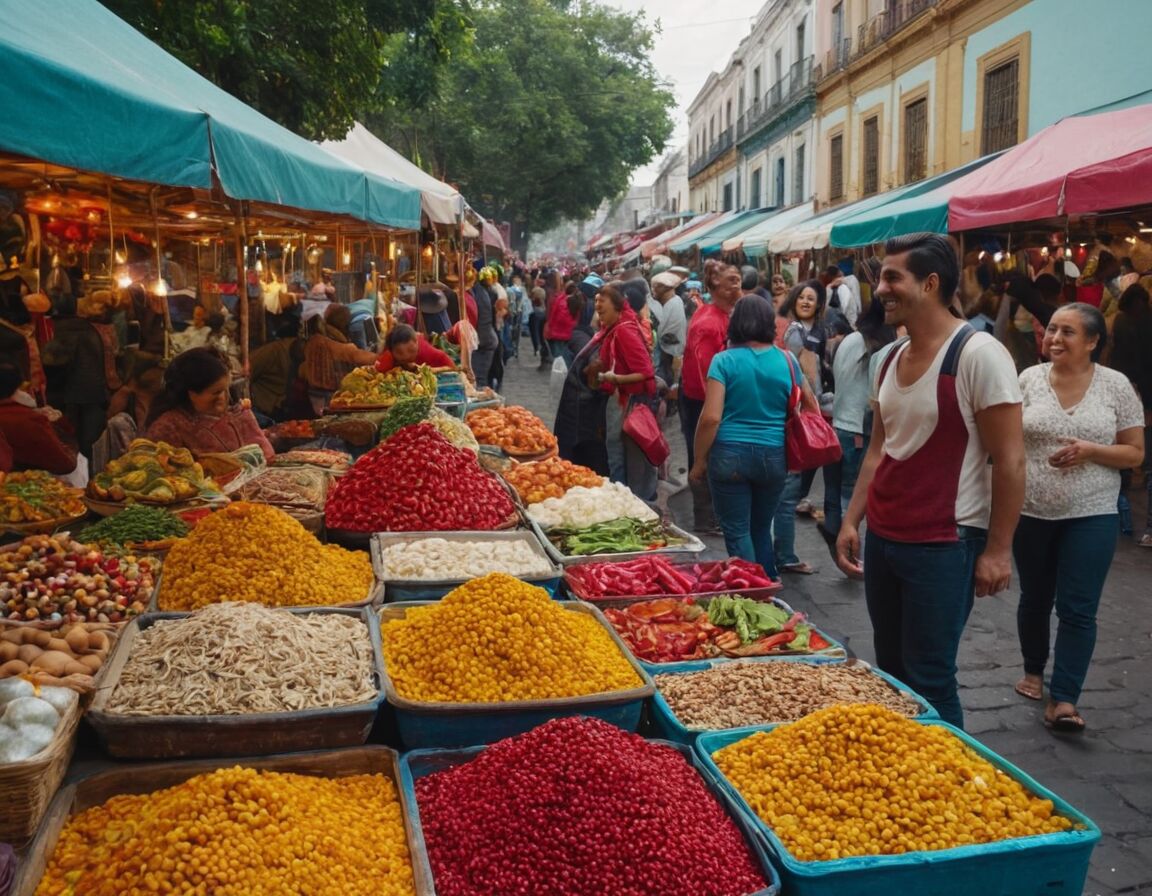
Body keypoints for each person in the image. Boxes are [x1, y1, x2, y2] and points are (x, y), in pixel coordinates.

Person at [834, 232, 1025, 729]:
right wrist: (852, 520)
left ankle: (954, 785)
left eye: (893, 277)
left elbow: (1010, 460)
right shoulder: (889, 358)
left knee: (932, 675)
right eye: (882, 277)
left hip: (945, 543)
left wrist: (998, 550)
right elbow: (878, 450)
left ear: (932, 283)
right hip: (886, 540)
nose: (881, 289)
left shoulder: (979, 355)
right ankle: (904, 771)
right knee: (893, 673)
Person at [1012, 303, 1144, 732]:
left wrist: (1091, 451)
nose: (1055, 338)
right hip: (1030, 511)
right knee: (1034, 599)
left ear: (1092, 342)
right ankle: (1033, 669)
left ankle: (1065, 698)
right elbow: (1008, 439)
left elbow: (1135, 453)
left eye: (1068, 332)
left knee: (1078, 609)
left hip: (1092, 514)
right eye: (1051, 329)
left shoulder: (1116, 386)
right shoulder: (1028, 380)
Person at [690, 295, 807, 576]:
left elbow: (711, 418)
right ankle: (769, 586)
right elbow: (808, 406)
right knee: (760, 529)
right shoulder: (788, 360)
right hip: (773, 455)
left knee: (737, 530)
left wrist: (698, 461)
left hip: (729, 455)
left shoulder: (724, 361)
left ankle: (754, 591)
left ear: (736, 323)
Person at [816, 298, 897, 562]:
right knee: (850, 492)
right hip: (858, 429)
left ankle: (832, 530)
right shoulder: (881, 347)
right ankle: (849, 551)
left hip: (837, 425)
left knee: (833, 488)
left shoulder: (848, 340)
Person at [675, 262, 741, 533]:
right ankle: (705, 517)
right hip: (699, 400)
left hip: (713, 397)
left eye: (738, 280)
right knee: (702, 455)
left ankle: (715, 514)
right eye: (731, 281)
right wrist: (717, 407)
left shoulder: (726, 316)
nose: (737, 285)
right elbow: (704, 374)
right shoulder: (707, 322)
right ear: (715, 286)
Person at [773, 280, 829, 575]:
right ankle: (784, 555)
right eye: (803, 297)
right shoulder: (795, 334)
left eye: (812, 298)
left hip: (794, 415)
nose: (807, 302)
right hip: (796, 415)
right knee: (786, 494)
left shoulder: (812, 332)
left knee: (784, 495)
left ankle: (779, 553)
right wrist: (813, 408)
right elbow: (802, 380)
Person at [586, 283, 658, 500]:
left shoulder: (624, 331)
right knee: (619, 451)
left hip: (626, 399)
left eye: (603, 307)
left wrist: (614, 378)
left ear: (617, 307)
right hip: (620, 397)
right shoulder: (613, 328)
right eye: (596, 306)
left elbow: (645, 372)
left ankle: (624, 496)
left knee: (618, 452)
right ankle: (626, 494)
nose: (598, 310)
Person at [145, 347, 274, 461]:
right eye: (216, 393)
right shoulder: (168, 428)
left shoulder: (238, 415)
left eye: (226, 389)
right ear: (191, 393)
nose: (224, 398)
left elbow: (267, 455)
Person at [41, 294, 109, 460]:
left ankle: (75, 476)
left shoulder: (59, 328)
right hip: (94, 391)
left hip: (70, 392)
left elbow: (54, 361)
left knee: (69, 442)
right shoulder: (88, 327)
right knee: (90, 442)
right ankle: (89, 474)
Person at [0, 359, 77, 473]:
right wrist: (58, 422)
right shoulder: (31, 420)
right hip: (27, 484)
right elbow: (66, 464)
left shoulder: (29, 416)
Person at [301, 304, 378, 414]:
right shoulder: (330, 343)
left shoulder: (315, 339)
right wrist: (384, 358)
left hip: (313, 391)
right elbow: (355, 355)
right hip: (327, 394)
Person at [248, 320, 302, 421]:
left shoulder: (302, 357)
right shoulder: (273, 351)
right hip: (265, 411)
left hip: (283, 411)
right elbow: (246, 371)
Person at [650, 271, 686, 391]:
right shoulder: (668, 303)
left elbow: (674, 348)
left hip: (669, 368)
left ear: (664, 288)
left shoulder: (674, 305)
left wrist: (675, 381)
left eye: (655, 287)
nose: (652, 290)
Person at [375, 324, 455, 374]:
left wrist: (422, 370)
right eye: (399, 353)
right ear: (391, 350)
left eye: (411, 350)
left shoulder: (426, 351)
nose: (406, 356)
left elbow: (453, 369)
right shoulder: (389, 355)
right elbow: (379, 370)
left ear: (416, 343)